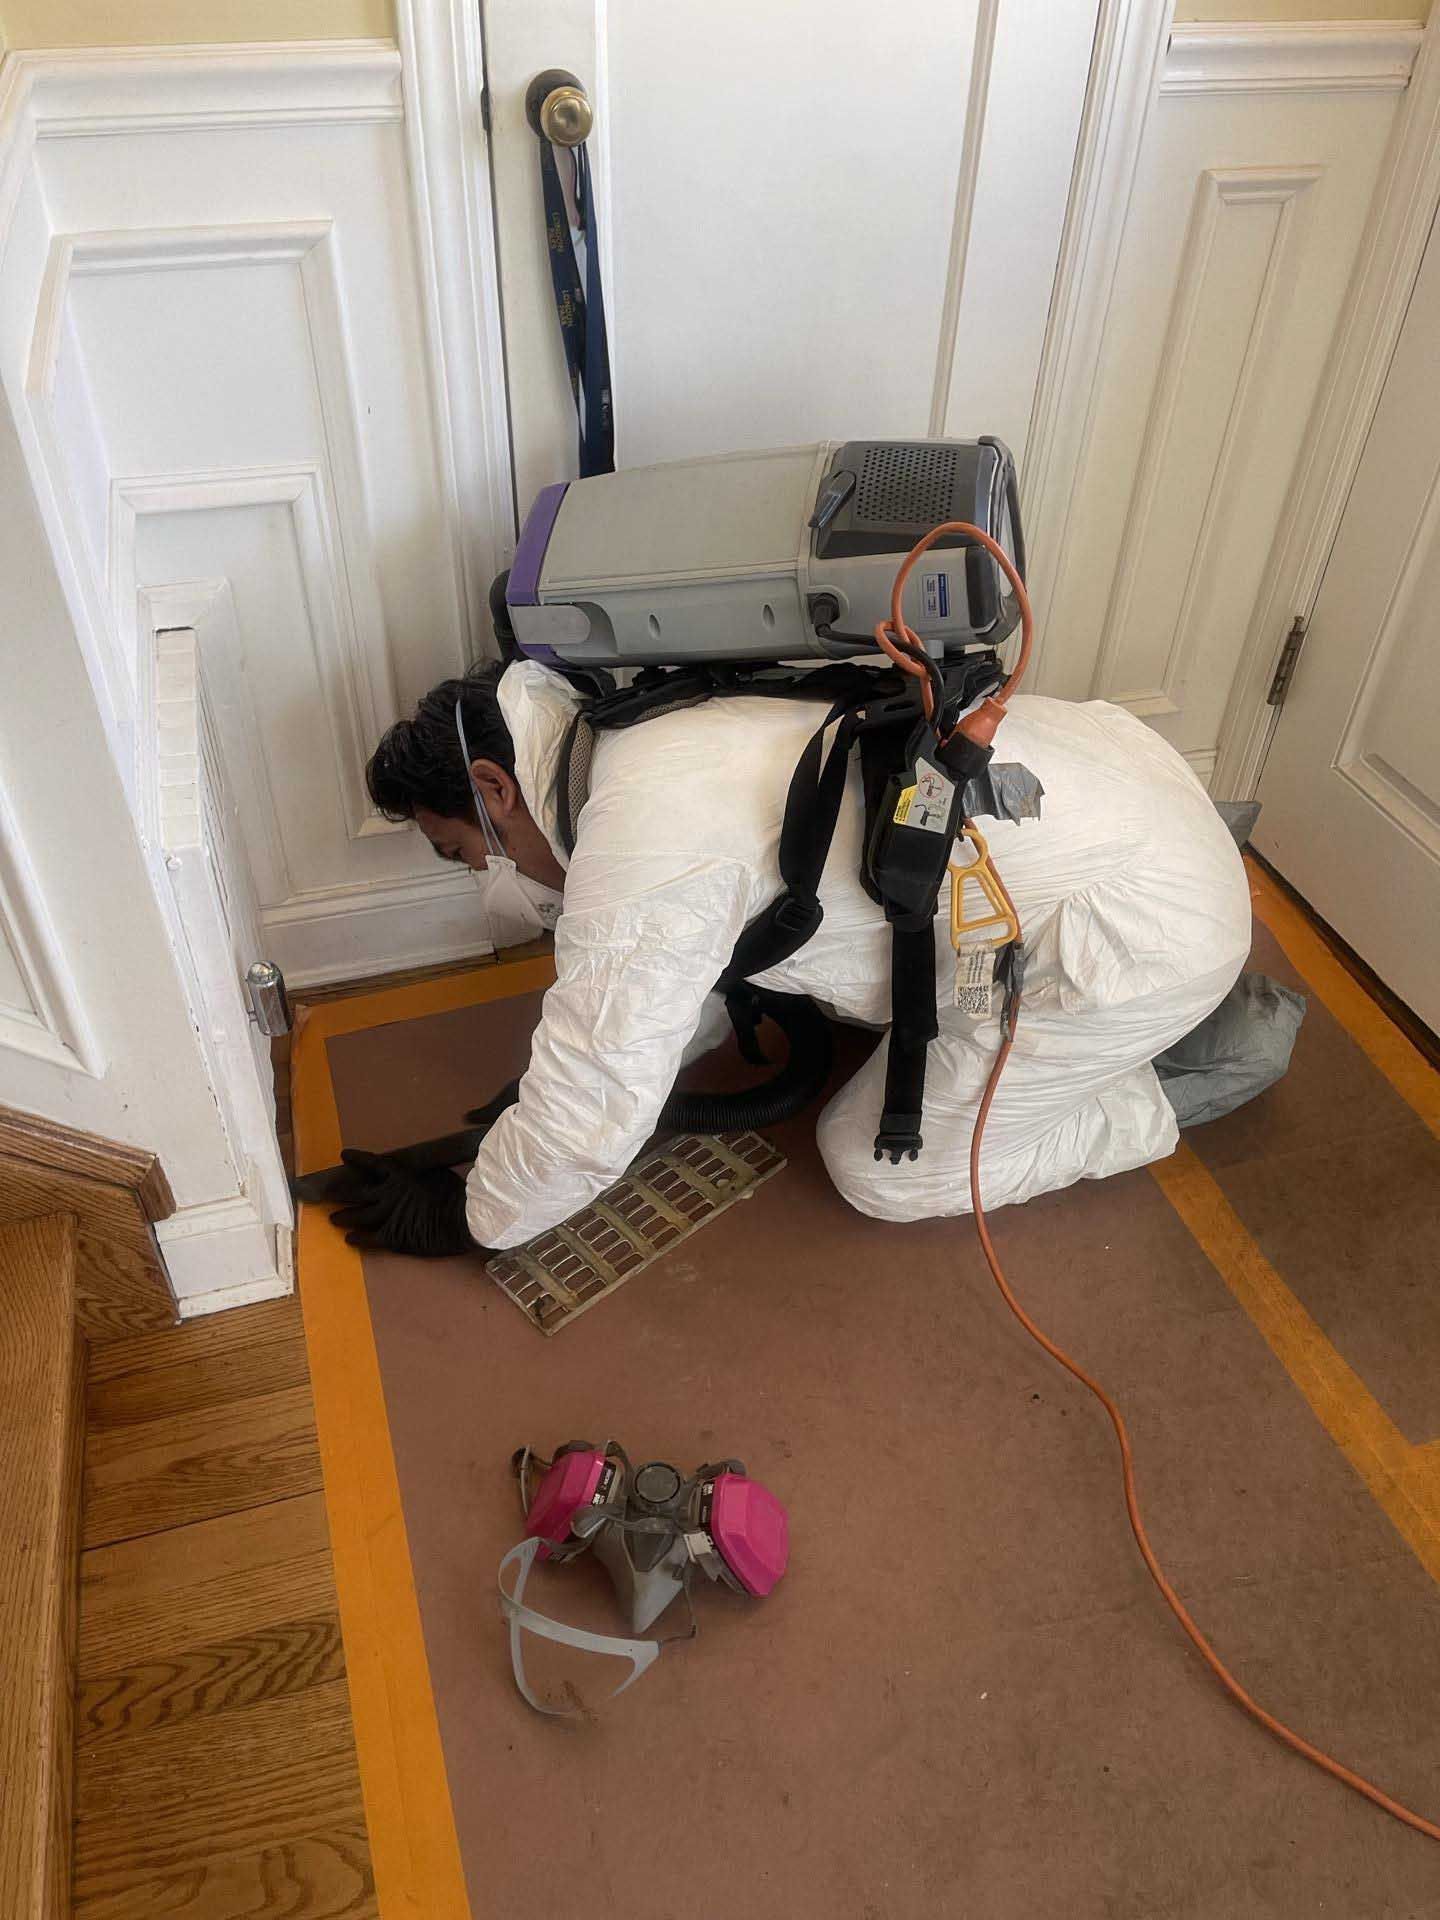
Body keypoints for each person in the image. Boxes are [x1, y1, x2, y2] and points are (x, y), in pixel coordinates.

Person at [330, 659, 1251, 1256]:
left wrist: (471, 1214)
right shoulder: (636, 725)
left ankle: (1161, 1083)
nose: (487, 877)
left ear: (495, 785)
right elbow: (661, 989)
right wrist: (534, 1103)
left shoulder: (639, 838)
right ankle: (1124, 1025)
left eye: (464, 852)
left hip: (1131, 938)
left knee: (875, 1167)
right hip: (1129, 783)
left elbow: (596, 1106)